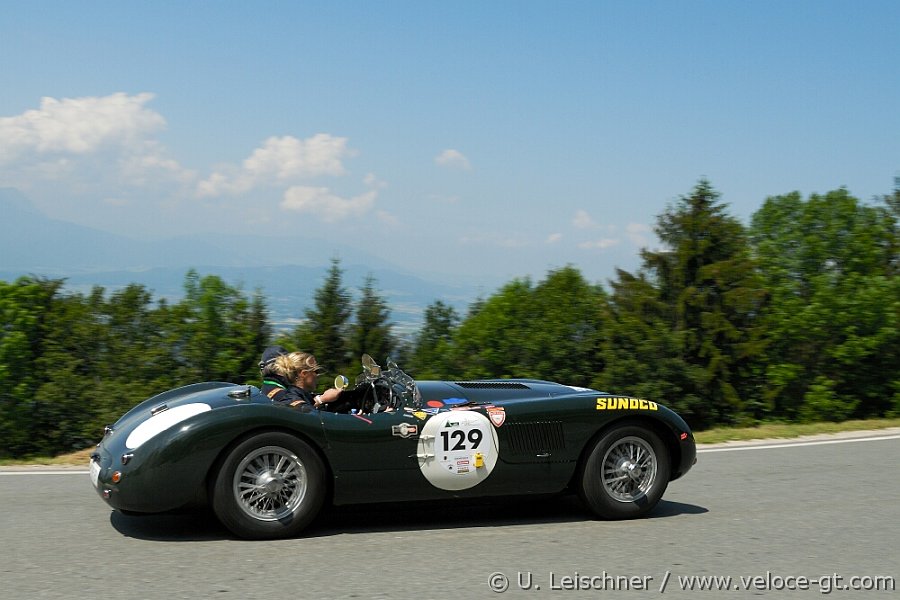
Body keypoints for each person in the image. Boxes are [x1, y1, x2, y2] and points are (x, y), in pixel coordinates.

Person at [263, 351, 343, 409]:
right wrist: (322, 399)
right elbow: (308, 417)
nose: (317, 375)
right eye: (316, 371)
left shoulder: (295, 396)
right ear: (304, 374)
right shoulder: (292, 399)